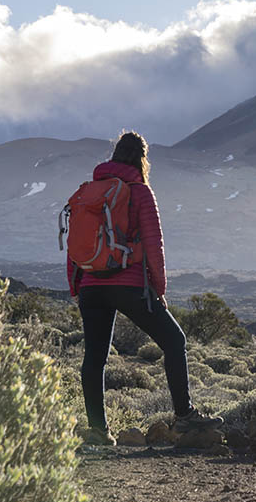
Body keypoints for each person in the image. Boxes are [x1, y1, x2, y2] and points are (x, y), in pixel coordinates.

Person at [68, 131, 221, 445]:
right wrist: (159, 288)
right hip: (128, 283)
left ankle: (98, 431)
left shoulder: (89, 192)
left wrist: (77, 285)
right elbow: (154, 245)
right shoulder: (139, 192)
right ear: (142, 159)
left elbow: (76, 245)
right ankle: (184, 418)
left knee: (94, 359)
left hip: (91, 287)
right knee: (175, 341)